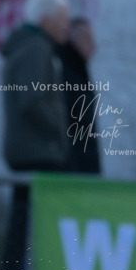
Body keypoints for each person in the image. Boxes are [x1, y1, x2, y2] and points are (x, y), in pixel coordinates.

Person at [0, 0, 71, 270]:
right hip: (37, 156)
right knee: (35, 237)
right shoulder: (36, 49)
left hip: (26, 154)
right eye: (63, 20)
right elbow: (31, 100)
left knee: (22, 235)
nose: (66, 28)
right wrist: (60, 130)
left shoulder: (25, 47)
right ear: (46, 20)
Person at [58, 17, 101, 174]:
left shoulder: (76, 71)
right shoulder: (66, 73)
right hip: (74, 170)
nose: (93, 47)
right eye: (87, 39)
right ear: (73, 40)